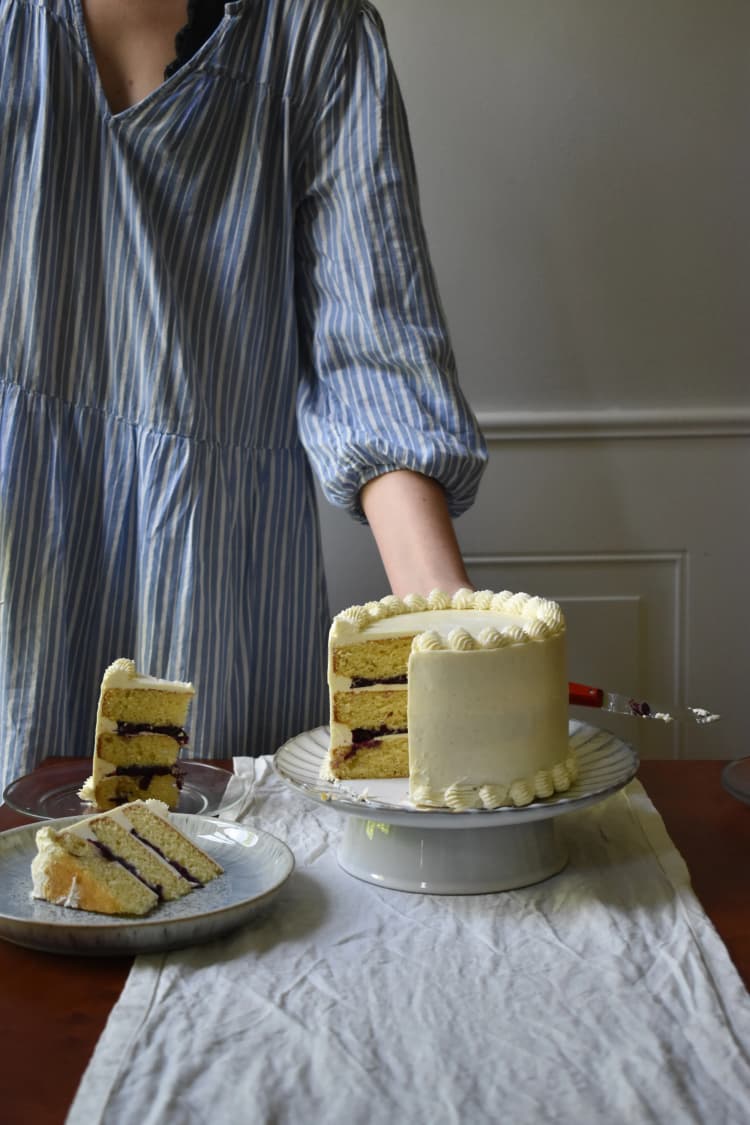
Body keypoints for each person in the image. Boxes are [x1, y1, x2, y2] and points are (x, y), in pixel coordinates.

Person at [0, 0, 487, 794]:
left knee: (220, 851)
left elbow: (377, 364)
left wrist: (450, 619)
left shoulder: (314, 31)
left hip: (218, 578)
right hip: (16, 564)